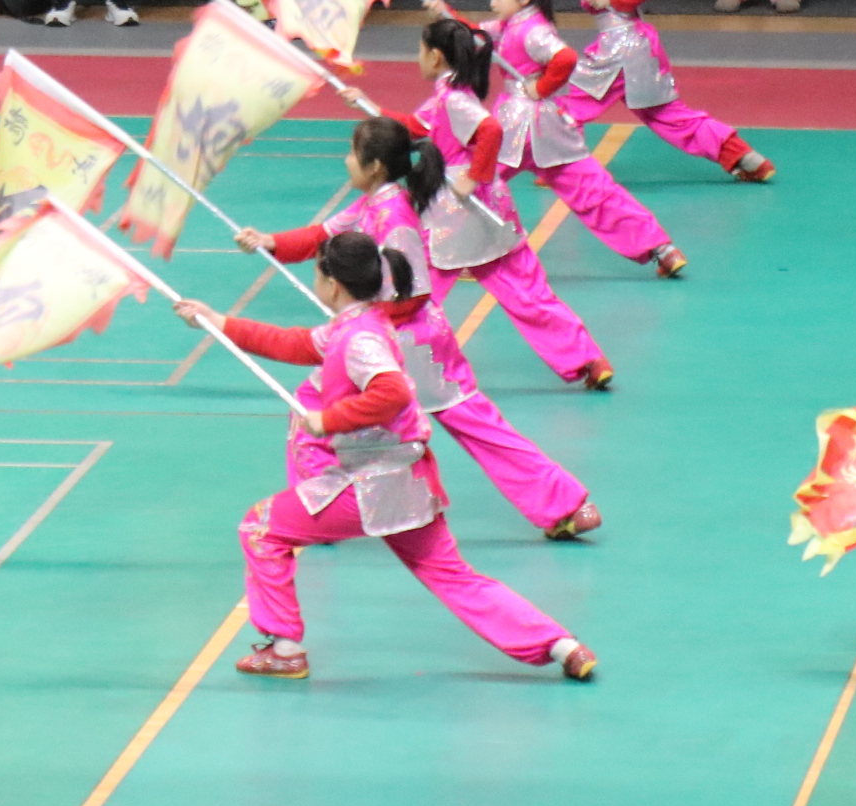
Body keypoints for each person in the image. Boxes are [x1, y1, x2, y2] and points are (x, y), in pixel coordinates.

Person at [169, 229, 597, 683]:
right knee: (455, 577)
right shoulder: (361, 324)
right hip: (411, 484)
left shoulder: (361, 341)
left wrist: (328, 420)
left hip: (371, 486)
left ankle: (285, 648)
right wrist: (219, 321)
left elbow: (391, 392)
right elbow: (295, 343)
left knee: (260, 528)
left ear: (333, 283)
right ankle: (561, 645)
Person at [237, 118, 602, 541]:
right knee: (479, 425)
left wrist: (360, 322)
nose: (346, 160)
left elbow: (412, 292)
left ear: (374, 166)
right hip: (413, 341)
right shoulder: (373, 203)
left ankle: (315, 512)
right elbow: (324, 236)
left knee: (312, 405)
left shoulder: (394, 217)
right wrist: (271, 242)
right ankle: (566, 505)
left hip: (408, 343)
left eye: (352, 153)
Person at [504, 0, 776, 183]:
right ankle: (742, 156)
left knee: (571, 104)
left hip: (618, 49)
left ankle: (562, 166)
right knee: (667, 115)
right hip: (635, 49)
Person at [408, 19, 616, 390]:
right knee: (527, 291)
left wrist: (475, 175)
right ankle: (587, 360)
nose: (417, 57)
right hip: (493, 209)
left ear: (435, 56)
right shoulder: (453, 93)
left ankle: (386, 365)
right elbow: (415, 127)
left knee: (414, 291)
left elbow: (491, 130)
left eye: (420, 50)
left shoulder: (453, 99)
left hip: (455, 215)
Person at [477, 0, 685, 279]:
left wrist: (541, 87)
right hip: (551, 130)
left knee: (472, 180)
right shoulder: (512, 24)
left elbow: (565, 58)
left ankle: (474, 253)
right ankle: (661, 248)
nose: (492, 2)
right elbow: (475, 34)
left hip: (517, 126)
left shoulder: (532, 31)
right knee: (595, 190)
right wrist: (445, 14)